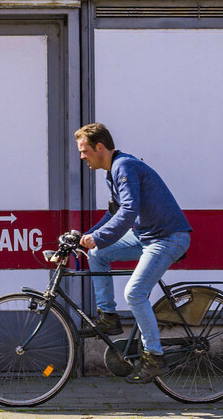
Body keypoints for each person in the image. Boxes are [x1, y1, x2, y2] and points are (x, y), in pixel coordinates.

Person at [74, 122, 191, 384]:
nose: (82, 157)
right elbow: (114, 213)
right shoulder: (113, 171)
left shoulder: (123, 166)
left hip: (168, 238)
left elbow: (128, 211)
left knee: (134, 293)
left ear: (99, 147)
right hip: (146, 235)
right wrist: (86, 238)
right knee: (97, 254)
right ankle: (109, 317)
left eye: (84, 151)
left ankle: (154, 357)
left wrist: (98, 237)